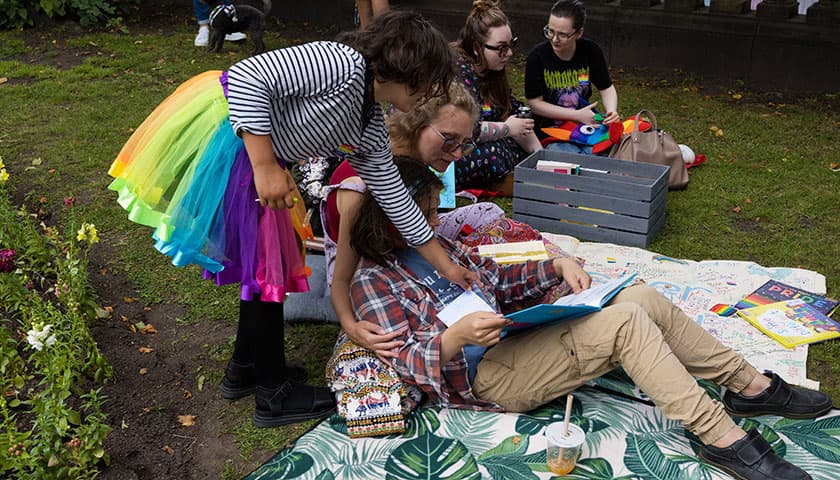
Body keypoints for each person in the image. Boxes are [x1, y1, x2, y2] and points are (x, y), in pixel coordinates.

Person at [108, 10, 478, 428]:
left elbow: (396, 200)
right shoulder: (342, 63)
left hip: (263, 163)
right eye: (430, 84)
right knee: (270, 274)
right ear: (410, 66)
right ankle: (272, 394)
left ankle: (245, 368)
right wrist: (265, 165)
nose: (430, 96)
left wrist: (448, 267)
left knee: (262, 271)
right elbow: (248, 77)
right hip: (239, 148)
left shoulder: (370, 122)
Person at [345, 165, 833, 479]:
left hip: (518, 339)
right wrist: (453, 339)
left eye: (431, 208)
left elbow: (499, 279)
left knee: (639, 293)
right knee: (625, 324)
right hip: (487, 377)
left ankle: (748, 386)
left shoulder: (441, 247)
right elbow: (405, 362)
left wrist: (556, 266)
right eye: (420, 210)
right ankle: (721, 438)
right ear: (386, 215)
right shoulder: (372, 282)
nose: (430, 219)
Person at [452, 0, 541, 191]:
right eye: (501, 47)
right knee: (493, 156)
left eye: (511, 44)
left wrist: (538, 151)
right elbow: (469, 131)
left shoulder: (491, 70)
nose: (508, 53)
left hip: (475, 141)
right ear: (477, 47)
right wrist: (507, 129)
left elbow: (510, 106)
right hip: (448, 148)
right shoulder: (459, 71)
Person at [524, 0, 619, 154]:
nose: (554, 39)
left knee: (605, 156)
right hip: (551, 132)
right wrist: (575, 115)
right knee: (569, 160)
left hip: (586, 128)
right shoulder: (537, 57)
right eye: (550, 31)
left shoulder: (591, 51)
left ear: (579, 33)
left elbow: (606, 88)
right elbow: (534, 103)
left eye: (562, 35)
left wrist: (611, 112)